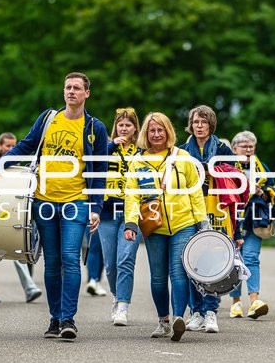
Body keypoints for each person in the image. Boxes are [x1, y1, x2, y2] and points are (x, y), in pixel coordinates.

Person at [0, 72, 108, 341]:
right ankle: (54, 319)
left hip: (76, 201)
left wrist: (96, 206)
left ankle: (68, 319)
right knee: (51, 262)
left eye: (76, 88)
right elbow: (26, 146)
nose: (71, 91)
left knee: (70, 258)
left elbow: (99, 170)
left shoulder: (94, 127)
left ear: (87, 93)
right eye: (67, 87)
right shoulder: (49, 118)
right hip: (44, 200)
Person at [124, 112, 207, 342]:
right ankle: (163, 321)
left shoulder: (183, 157)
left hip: (184, 223)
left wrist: (202, 221)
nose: (157, 134)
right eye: (152, 130)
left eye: (161, 129)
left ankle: (179, 318)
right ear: (146, 134)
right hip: (154, 226)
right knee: (158, 277)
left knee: (179, 273)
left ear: (168, 131)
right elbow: (131, 197)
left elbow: (195, 191)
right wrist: (130, 223)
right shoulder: (137, 163)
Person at [180, 105, 236, 334]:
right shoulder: (183, 150)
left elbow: (234, 175)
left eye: (203, 122)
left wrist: (212, 170)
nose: (199, 126)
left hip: (216, 208)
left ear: (211, 124)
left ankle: (211, 311)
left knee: (213, 261)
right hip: (190, 208)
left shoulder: (222, 148)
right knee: (192, 261)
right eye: (195, 122)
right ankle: (196, 312)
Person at [0, 132, 43, 304]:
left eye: (13, 146)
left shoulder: (19, 168)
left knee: (18, 251)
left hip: (12, 215)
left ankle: (29, 288)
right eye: (7, 146)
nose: (10, 149)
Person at [97, 107, 141, 325]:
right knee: (111, 263)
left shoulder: (140, 151)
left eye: (128, 125)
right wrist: (111, 144)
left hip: (132, 209)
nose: (124, 128)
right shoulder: (107, 148)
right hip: (106, 208)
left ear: (135, 129)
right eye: (120, 125)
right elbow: (93, 161)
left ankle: (123, 306)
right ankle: (116, 297)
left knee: (126, 259)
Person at [228, 131, 273, 319]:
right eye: (244, 146)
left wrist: (261, 191)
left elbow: (274, 194)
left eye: (251, 147)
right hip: (231, 220)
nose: (248, 150)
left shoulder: (263, 169)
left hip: (254, 221)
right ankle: (235, 302)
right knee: (234, 261)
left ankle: (254, 301)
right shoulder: (227, 167)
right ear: (234, 149)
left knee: (252, 258)